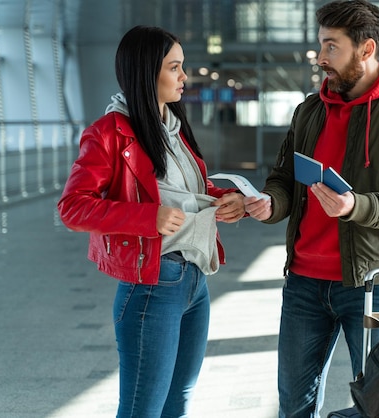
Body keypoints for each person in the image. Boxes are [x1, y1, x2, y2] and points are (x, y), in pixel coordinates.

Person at [243, 1, 379, 417]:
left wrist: (356, 205)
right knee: (293, 404)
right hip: (302, 283)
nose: (321, 58)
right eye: (321, 45)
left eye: (331, 47)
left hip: (372, 284)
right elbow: (283, 179)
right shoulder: (309, 111)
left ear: (366, 49)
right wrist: (269, 203)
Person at [57, 25, 245, 417]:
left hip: (195, 282)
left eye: (183, 66)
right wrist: (149, 218)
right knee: (142, 410)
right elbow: (73, 208)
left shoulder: (175, 129)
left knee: (177, 404)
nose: (184, 76)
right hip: (153, 287)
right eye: (174, 68)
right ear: (147, 72)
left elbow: (183, 190)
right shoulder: (108, 134)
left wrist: (225, 200)